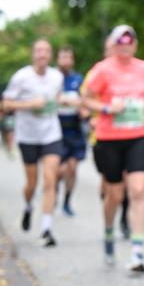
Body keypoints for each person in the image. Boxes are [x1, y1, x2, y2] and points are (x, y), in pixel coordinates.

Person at [81, 25, 144, 272]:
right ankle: (109, 230)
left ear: (135, 45)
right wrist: (106, 109)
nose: (125, 45)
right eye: (120, 41)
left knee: (138, 189)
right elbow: (86, 99)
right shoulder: (102, 70)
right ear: (113, 45)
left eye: (130, 41)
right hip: (109, 138)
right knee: (115, 195)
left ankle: (137, 251)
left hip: (139, 135)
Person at [2, 39, 65, 248]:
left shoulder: (57, 76)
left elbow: (57, 97)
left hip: (51, 134)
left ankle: (47, 229)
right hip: (28, 136)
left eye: (46, 51)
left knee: (50, 179)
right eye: (38, 50)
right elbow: (7, 103)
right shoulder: (21, 77)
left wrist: (62, 101)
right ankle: (28, 205)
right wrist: (30, 104)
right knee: (32, 183)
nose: (42, 55)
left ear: (51, 55)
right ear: (33, 54)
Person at [56, 47, 86, 216]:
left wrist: (79, 107)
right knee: (58, 170)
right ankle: (53, 192)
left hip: (74, 131)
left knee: (72, 168)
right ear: (58, 59)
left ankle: (67, 200)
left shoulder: (78, 80)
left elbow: (85, 102)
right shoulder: (52, 79)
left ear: (72, 60)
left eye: (69, 57)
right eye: (63, 57)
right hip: (56, 131)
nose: (66, 60)